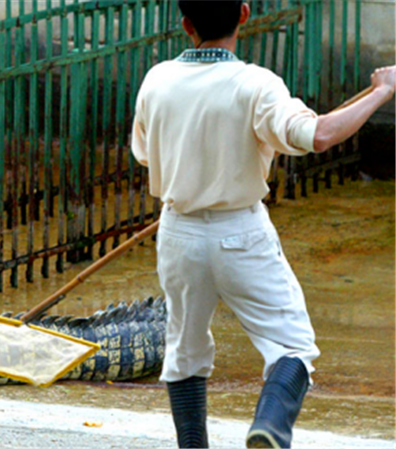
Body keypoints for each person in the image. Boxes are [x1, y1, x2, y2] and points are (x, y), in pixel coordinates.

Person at [130, 1, 395, 448]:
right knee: (293, 347)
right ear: (245, 13)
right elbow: (319, 135)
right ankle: (269, 427)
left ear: (185, 24)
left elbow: (144, 154)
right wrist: (381, 91)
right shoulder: (254, 83)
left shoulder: (156, 79)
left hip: (178, 231)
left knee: (185, 351)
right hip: (240, 231)